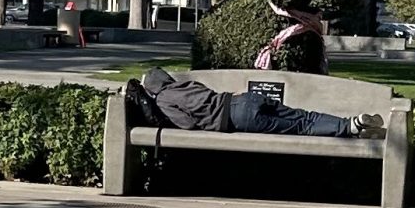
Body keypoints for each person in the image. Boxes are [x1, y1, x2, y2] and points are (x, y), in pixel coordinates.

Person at [142, 68, 385, 138]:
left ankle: (348, 127)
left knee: (302, 128)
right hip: (244, 99)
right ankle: (351, 122)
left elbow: (186, 124)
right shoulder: (183, 85)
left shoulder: (163, 98)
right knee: (306, 117)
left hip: (237, 119)